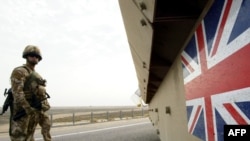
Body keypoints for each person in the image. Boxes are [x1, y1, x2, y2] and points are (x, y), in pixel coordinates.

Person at [9, 45, 51, 141]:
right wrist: (28, 109)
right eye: (32, 55)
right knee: (20, 137)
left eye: (37, 56)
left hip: (35, 111)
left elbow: (41, 94)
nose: (34, 58)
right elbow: (17, 93)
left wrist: (43, 108)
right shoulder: (20, 71)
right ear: (26, 56)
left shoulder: (37, 75)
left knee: (30, 136)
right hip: (23, 112)